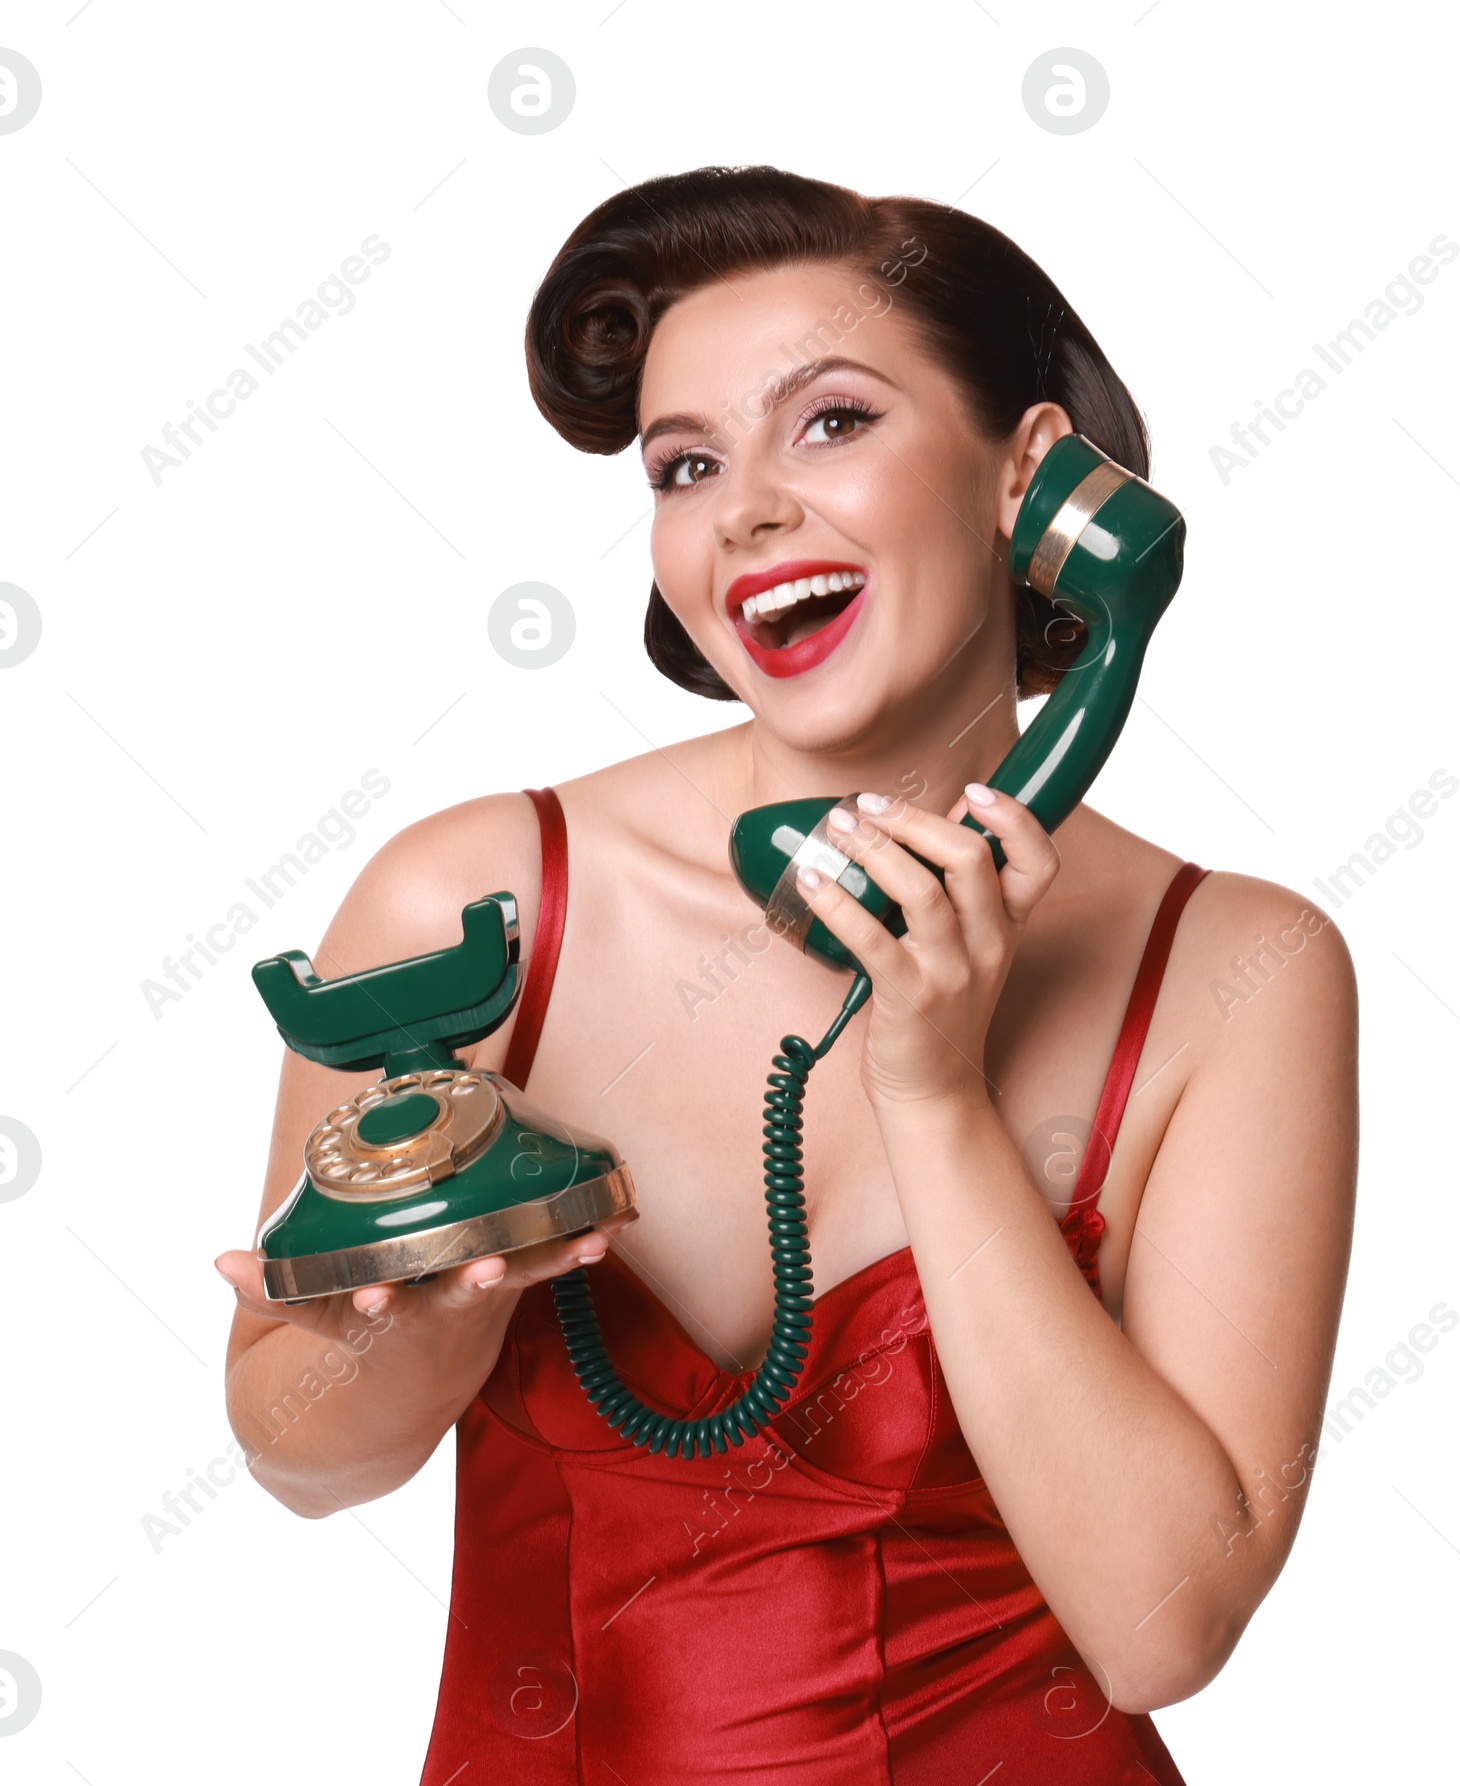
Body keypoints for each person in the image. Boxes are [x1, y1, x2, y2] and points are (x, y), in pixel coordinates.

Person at [216, 164, 1358, 1781]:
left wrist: (939, 1095)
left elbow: (1161, 1623)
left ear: (1033, 481)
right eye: (687, 464)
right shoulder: (476, 905)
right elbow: (297, 1462)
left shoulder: (1243, 967)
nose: (745, 507)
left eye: (830, 422)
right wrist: (422, 1322)